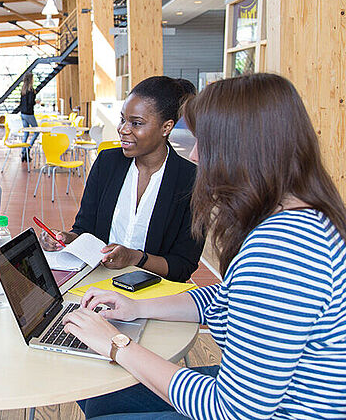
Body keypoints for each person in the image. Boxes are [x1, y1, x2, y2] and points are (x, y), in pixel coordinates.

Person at [63, 73, 346, 419]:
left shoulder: (282, 250)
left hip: (275, 409)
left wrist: (116, 344)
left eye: (205, 143)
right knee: (101, 398)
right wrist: (136, 307)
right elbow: (225, 297)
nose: (195, 156)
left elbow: (233, 410)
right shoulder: (305, 218)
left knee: (106, 395)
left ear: (245, 150)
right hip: (280, 395)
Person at [41, 76, 202, 282]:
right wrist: (66, 239)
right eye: (123, 119)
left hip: (154, 296)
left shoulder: (191, 180)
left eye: (136, 123)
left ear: (166, 127)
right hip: (97, 285)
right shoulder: (107, 163)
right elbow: (84, 229)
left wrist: (135, 258)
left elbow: (182, 266)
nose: (123, 129)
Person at [19, 73, 39, 161]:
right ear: (31, 79)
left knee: (26, 133)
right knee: (37, 131)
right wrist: (36, 102)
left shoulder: (23, 90)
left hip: (22, 113)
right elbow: (31, 102)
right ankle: (28, 149)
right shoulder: (31, 90)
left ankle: (23, 152)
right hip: (29, 114)